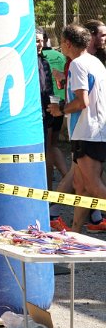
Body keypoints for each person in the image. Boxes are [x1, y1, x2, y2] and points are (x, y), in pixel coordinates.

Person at [45, 24, 106, 233]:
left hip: (88, 132)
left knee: (94, 186)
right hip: (90, 131)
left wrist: (60, 109)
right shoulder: (94, 61)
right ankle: (75, 232)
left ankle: (75, 231)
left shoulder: (78, 64)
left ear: (67, 43)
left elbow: (82, 102)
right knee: (81, 186)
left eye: (62, 42)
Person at [36, 29, 69, 189]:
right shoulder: (34, 61)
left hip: (52, 109)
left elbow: (47, 87)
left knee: (49, 148)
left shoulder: (44, 60)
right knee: (51, 147)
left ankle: (54, 187)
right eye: (37, 41)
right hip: (48, 109)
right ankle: (66, 180)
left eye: (42, 40)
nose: (40, 44)